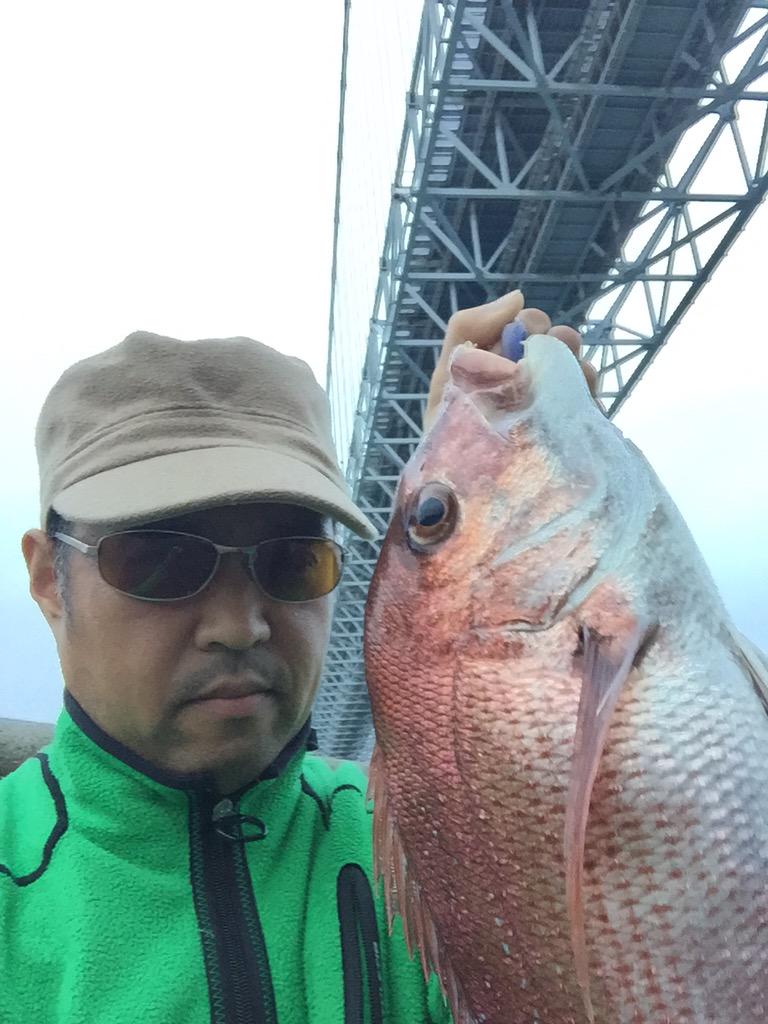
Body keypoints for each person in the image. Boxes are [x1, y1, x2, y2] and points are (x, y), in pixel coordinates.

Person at [0, 291, 587, 1023]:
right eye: (159, 561)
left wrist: (501, 511)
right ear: (49, 579)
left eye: (294, 560)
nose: (239, 624)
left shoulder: (445, 854)